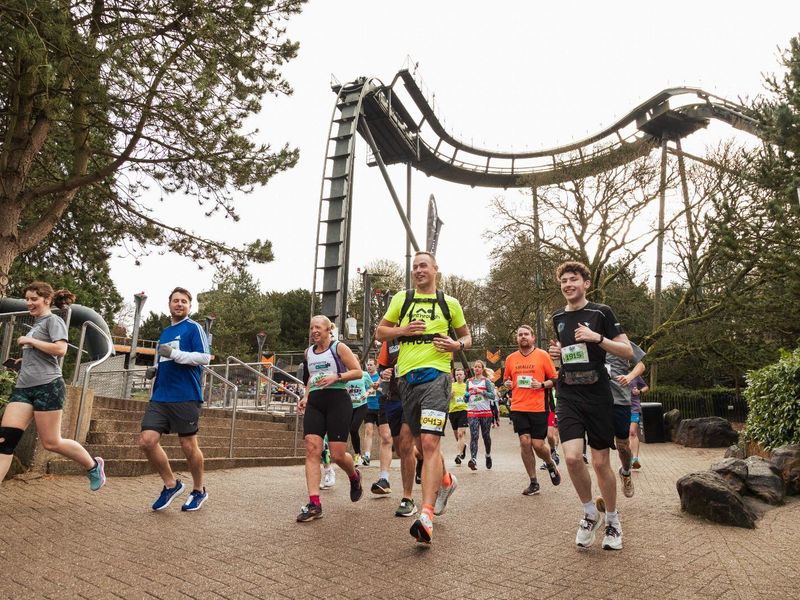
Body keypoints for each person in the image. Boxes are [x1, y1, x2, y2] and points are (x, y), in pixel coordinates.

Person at [376, 251, 471, 544]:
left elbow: (467, 337)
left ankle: (426, 515)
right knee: (418, 443)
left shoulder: (449, 303)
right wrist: (402, 330)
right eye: (415, 266)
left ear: (435, 270)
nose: (418, 270)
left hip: (437, 378)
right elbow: (381, 332)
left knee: (430, 442)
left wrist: (456, 344)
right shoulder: (401, 300)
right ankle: (446, 481)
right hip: (407, 381)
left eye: (423, 266)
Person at [548, 261, 633, 551]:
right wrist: (559, 353)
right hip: (569, 393)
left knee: (599, 463)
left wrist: (597, 337)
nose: (568, 285)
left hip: (597, 394)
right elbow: (571, 353)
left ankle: (612, 520)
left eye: (574, 279)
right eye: (564, 281)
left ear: (586, 283)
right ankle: (588, 514)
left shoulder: (601, 312)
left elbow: (627, 350)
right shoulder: (558, 316)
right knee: (571, 458)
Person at [0, 282, 105, 491]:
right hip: (24, 388)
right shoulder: (37, 324)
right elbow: (39, 355)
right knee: (4, 441)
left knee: (52, 442)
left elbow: (60, 349)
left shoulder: (53, 320)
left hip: (48, 387)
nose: (29, 303)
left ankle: (93, 466)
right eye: (27, 299)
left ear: (47, 300)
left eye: (34, 299)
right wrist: (22, 362)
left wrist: (30, 342)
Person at [139, 287, 211, 511]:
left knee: (188, 445)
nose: (179, 304)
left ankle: (199, 490)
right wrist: (156, 369)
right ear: (169, 304)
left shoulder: (193, 328)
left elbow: (204, 357)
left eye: (184, 302)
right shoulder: (165, 332)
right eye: (175, 301)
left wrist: (174, 355)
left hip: (185, 395)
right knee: (147, 441)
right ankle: (171, 484)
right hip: (160, 396)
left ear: (190, 306)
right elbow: (166, 357)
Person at [296, 315, 364, 522]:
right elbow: (311, 378)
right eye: (311, 328)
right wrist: (306, 396)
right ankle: (314, 503)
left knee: (337, 454)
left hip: (338, 400)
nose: (314, 331)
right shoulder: (308, 353)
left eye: (318, 327)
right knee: (312, 448)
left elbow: (358, 372)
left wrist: (337, 376)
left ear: (327, 330)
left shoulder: (338, 348)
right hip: (316, 401)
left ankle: (354, 476)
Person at [503, 325, 561, 495]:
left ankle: (550, 462)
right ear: (517, 339)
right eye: (520, 334)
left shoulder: (543, 356)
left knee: (538, 444)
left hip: (538, 407)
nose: (523, 337)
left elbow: (555, 379)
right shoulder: (510, 359)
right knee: (524, 442)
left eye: (526, 334)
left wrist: (542, 384)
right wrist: (507, 383)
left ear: (533, 337)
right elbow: (507, 379)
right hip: (519, 406)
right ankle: (533, 481)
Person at [607, 343, 647, 498]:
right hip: (598, 402)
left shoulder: (620, 341)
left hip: (621, 401)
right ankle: (607, 498)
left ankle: (625, 472)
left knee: (622, 446)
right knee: (599, 452)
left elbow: (641, 365)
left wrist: (630, 377)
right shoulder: (587, 340)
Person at [466, 360, 495, 470]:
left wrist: (481, 392)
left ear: (482, 369)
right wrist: (466, 396)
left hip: (485, 413)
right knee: (474, 435)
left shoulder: (486, 381)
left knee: (485, 436)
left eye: (479, 367)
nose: (476, 369)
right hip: (472, 412)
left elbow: (492, 396)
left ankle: (488, 455)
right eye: (475, 367)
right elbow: (465, 398)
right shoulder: (468, 381)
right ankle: (473, 459)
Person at [346, 365, 373, 466]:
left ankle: (357, 456)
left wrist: (367, 393)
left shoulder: (364, 374)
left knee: (353, 429)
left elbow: (372, 386)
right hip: (349, 406)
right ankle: (357, 455)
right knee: (351, 432)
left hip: (361, 405)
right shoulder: (346, 375)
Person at [361, 358, 383, 467]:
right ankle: (367, 456)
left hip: (380, 407)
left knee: (382, 433)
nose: (369, 367)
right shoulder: (364, 377)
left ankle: (383, 455)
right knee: (368, 431)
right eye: (367, 365)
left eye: (371, 365)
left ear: (376, 366)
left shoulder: (380, 377)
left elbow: (385, 390)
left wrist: (377, 388)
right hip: (368, 407)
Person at [448, 367, 468, 464]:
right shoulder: (451, 386)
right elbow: (445, 398)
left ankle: (458, 455)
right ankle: (463, 448)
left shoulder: (466, 386)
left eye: (460, 374)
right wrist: (449, 396)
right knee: (457, 436)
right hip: (452, 411)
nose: (458, 376)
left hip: (464, 410)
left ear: (464, 376)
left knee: (461, 434)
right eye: (457, 375)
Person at [628, 374, 649, 469]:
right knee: (623, 435)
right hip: (619, 408)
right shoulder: (613, 371)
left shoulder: (634, 374)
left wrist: (639, 391)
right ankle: (627, 458)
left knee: (632, 432)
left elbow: (646, 387)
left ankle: (635, 459)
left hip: (634, 408)